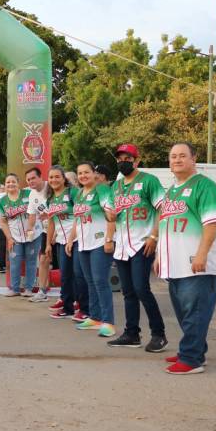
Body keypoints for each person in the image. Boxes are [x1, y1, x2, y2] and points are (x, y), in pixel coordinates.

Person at [153, 142, 216, 374]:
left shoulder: (205, 186)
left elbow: (212, 222)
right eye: (173, 156)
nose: (177, 160)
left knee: (195, 312)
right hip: (175, 264)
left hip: (196, 263)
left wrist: (202, 254)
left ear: (194, 159)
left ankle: (191, 358)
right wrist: (158, 256)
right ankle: (194, 350)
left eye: (182, 156)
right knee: (186, 312)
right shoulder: (172, 190)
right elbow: (164, 225)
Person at [107, 144, 168, 353]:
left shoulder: (149, 181)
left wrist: (154, 235)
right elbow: (112, 215)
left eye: (127, 158)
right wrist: (111, 217)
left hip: (142, 243)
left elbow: (163, 209)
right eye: (120, 158)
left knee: (142, 288)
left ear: (136, 160)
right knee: (128, 292)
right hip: (122, 244)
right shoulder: (116, 186)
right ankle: (131, 333)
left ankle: (159, 334)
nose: (123, 161)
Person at [66, 162, 116, 338]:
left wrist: (109, 239)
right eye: (79, 173)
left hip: (100, 243)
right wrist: (70, 239)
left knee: (100, 281)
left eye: (86, 172)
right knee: (90, 281)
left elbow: (111, 215)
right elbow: (76, 220)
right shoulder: (79, 194)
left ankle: (108, 322)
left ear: (94, 173)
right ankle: (95, 317)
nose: (83, 176)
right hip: (84, 243)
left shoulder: (102, 190)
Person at [44, 166, 83, 319]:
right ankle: (68, 308)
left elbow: (80, 214)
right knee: (65, 275)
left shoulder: (72, 193)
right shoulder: (50, 199)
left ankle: (83, 307)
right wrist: (48, 244)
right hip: (61, 241)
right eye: (51, 177)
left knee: (79, 274)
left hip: (77, 239)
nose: (54, 180)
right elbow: (51, 222)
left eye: (57, 177)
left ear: (63, 178)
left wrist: (72, 238)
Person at [0, 174, 42, 297]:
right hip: (15, 237)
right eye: (8, 182)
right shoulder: (2, 201)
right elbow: (3, 221)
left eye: (13, 181)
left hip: (33, 234)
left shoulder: (29, 194)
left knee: (31, 261)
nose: (10, 184)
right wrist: (9, 238)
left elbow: (41, 207)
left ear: (18, 183)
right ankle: (14, 288)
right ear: (5, 185)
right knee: (15, 262)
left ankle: (28, 288)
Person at [25, 168, 52, 302]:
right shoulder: (31, 195)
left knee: (67, 264)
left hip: (63, 230)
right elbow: (32, 215)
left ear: (41, 177)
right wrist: (29, 230)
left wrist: (50, 214)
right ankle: (42, 291)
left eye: (33, 178)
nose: (31, 181)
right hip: (46, 231)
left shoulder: (51, 187)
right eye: (28, 179)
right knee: (43, 260)